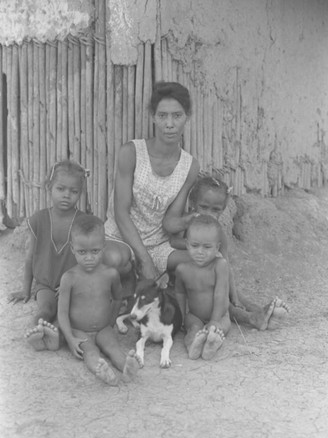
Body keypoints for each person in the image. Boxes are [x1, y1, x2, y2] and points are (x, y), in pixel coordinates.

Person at [102, 81, 200, 290]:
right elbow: (120, 213)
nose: (169, 124)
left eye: (177, 115)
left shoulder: (189, 166)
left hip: (159, 246)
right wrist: (144, 260)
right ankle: (133, 283)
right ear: (153, 117)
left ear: (187, 117)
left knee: (208, 262)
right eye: (163, 115)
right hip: (121, 240)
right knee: (114, 260)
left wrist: (189, 221)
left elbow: (170, 220)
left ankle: (241, 311)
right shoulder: (132, 152)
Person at [165, 174, 289, 330]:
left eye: (215, 210)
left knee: (231, 295)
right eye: (204, 207)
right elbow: (173, 241)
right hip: (189, 286)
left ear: (223, 210)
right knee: (222, 302)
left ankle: (260, 311)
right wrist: (197, 246)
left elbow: (226, 263)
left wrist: (235, 295)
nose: (208, 214)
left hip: (213, 282)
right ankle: (252, 318)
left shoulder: (218, 233)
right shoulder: (187, 223)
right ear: (192, 204)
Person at [8, 160, 87, 350]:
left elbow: (88, 259)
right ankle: (37, 330)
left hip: (72, 286)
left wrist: (75, 281)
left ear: (80, 194)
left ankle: (56, 337)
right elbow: (30, 257)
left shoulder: (83, 222)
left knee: (69, 313)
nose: (66, 195)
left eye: (73, 191)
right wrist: (26, 290)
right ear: (48, 187)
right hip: (45, 283)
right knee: (46, 308)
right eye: (60, 189)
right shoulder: (39, 220)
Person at [57, 214, 140, 385]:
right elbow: (62, 313)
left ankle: (127, 367)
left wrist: (110, 322)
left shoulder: (110, 274)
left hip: (103, 328)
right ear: (72, 249)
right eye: (82, 252)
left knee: (113, 347)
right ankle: (101, 371)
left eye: (95, 251)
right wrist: (70, 338)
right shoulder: (69, 278)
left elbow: (118, 298)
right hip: (79, 330)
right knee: (90, 351)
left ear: (103, 247)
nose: (89, 257)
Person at [175, 215, 231, 360]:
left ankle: (211, 344)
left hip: (220, 316)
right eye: (195, 246)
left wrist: (214, 320)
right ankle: (192, 345)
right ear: (187, 245)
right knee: (193, 329)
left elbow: (220, 294)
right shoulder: (182, 269)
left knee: (218, 330)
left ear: (217, 247)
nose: (200, 251)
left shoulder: (220, 265)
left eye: (207, 247)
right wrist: (180, 317)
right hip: (195, 316)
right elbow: (179, 293)